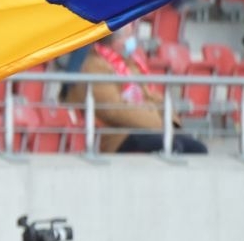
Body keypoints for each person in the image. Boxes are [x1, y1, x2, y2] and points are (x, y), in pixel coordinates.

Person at [66, 22, 208, 153]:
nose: (132, 40)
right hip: (117, 134)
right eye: (128, 36)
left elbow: (152, 96)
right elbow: (114, 110)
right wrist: (159, 123)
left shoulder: (129, 64)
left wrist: (169, 121)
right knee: (173, 147)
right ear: (114, 41)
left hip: (147, 126)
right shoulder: (94, 66)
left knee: (196, 147)